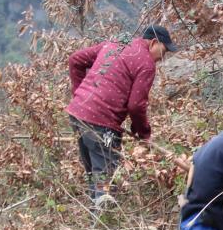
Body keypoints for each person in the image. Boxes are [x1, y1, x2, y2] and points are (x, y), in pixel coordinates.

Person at [66, 25, 178, 203]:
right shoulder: (146, 64)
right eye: (163, 52)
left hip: (77, 115)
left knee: (95, 175)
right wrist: (144, 134)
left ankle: (95, 215)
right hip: (101, 124)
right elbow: (136, 105)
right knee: (106, 181)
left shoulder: (115, 43)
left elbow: (75, 59)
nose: (162, 58)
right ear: (153, 43)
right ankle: (103, 217)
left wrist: (81, 95)